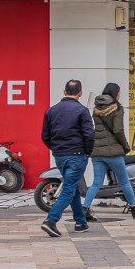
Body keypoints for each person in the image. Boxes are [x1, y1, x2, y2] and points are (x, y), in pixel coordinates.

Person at [39, 79, 94, 238]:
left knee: (73, 187)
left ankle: (81, 222)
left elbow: (45, 136)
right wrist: (87, 152)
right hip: (77, 155)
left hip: (60, 156)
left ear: (64, 92)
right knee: (69, 189)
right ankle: (51, 220)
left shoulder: (51, 110)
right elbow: (89, 135)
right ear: (80, 93)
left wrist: (56, 148)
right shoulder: (82, 110)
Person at [82, 83, 135, 222]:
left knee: (96, 183)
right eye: (119, 92)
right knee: (125, 181)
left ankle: (84, 208)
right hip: (113, 152)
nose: (120, 94)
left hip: (97, 152)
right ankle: (134, 208)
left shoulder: (97, 108)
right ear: (115, 93)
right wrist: (125, 146)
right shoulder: (117, 108)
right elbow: (118, 130)